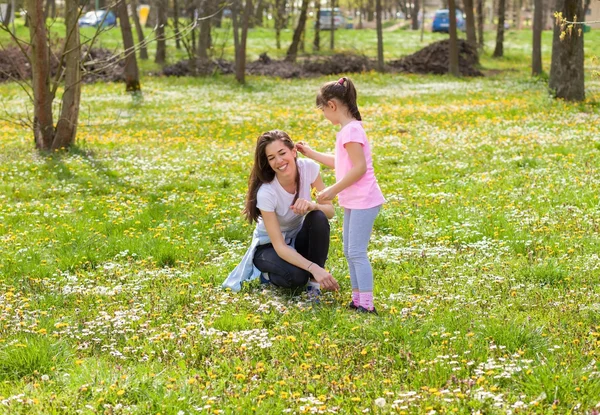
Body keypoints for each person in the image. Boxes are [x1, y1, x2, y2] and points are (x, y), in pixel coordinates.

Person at [297, 77, 384, 314]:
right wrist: (310, 152)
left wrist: (331, 191)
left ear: (332, 105)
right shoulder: (348, 130)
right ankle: (357, 301)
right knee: (349, 251)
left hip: (365, 200)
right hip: (355, 201)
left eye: (323, 110)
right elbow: (342, 163)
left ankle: (367, 305)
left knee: (356, 252)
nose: (325, 115)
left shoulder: (351, 130)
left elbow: (359, 168)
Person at [222, 130, 339, 295]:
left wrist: (313, 205)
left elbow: (330, 211)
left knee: (318, 216)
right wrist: (314, 268)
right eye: (271, 158)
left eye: (282, 153)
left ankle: (314, 286)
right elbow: (280, 247)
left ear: (293, 151)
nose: (279, 161)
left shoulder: (309, 169)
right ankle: (267, 276)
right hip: (269, 247)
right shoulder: (266, 192)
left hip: (296, 239)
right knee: (297, 278)